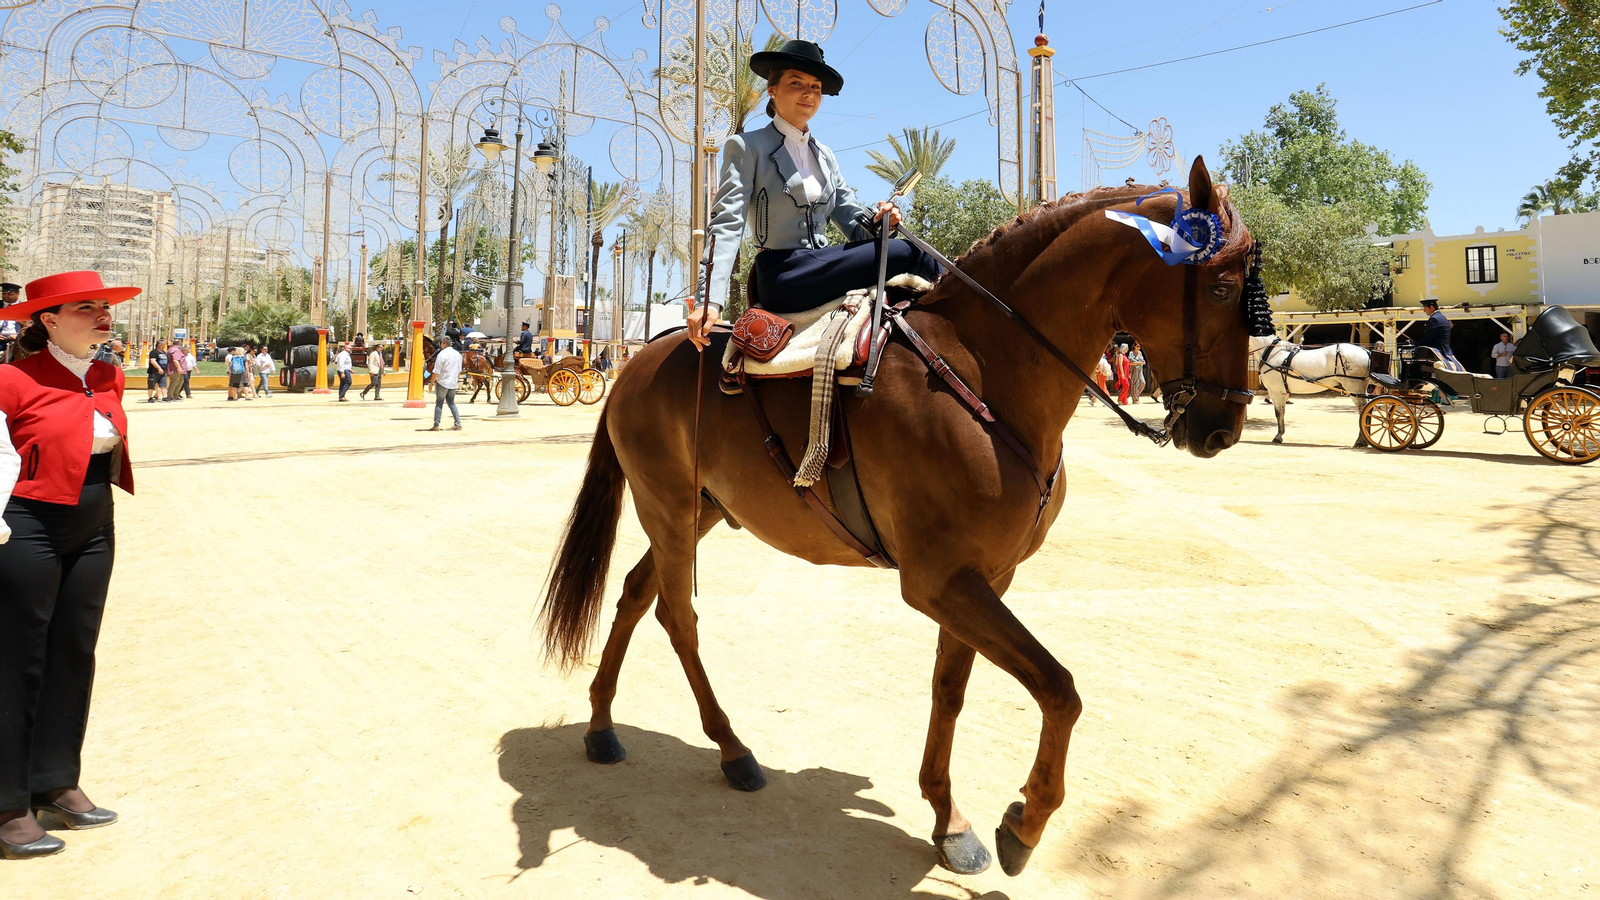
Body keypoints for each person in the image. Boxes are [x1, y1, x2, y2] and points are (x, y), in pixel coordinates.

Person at [0, 271, 139, 859]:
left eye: (105, 306)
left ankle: (55, 780)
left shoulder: (110, 375)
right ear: (49, 320)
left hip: (93, 519)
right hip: (26, 521)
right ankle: (8, 806)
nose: (103, 316)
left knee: (75, 647)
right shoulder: (11, 378)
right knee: (17, 654)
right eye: (87, 308)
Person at [686, 39, 937, 349]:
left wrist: (883, 221)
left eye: (816, 87)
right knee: (908, 254)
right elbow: (727, 222)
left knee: (907, 246)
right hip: (782, 274)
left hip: (821, 263)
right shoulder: (747, 147)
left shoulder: (825, 155)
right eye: (796, 83)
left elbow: (856, 227)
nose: (808, 93)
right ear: (772, 89)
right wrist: (708, 300)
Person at [1419, 298, 1464, 371]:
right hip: (1447, 352)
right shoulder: (1442, 317)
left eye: (1425, 308)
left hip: (1438, 352)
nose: (1424, 310)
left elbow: (1428, 339)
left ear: (1431, 307)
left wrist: (1416, 344)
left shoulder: (1434, 319)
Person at [430, 335, 462, 431]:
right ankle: (458, 423)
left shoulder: (441, 354)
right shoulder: (458, 354)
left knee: (439, 403)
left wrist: (431, 383)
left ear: (443, 343)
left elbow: (436, 371)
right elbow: (459, 371)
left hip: (443, 381)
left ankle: (436, 424)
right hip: (453, 382)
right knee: (451, 403)